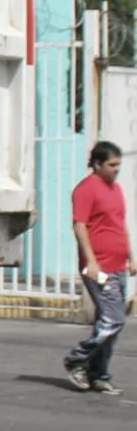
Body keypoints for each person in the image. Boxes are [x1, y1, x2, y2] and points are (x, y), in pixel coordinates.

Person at [67, 140, 129, 395]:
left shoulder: (115, 188)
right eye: (112, 165)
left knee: (108, 324)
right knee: (114, 320)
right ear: (97, 164)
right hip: (99, 268)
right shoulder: (86, 189)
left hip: (118, 265)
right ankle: (77, 358)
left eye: (118, 165)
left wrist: (131, 257)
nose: (116, 169)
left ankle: (98, 374)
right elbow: (80, 225)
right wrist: (90, 261)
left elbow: (119, 223)